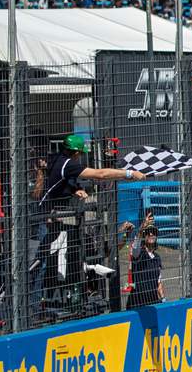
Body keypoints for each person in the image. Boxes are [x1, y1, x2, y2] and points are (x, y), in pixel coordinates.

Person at [35, 134, 145, 315]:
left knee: (42, 265)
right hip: (41, 219)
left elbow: (57, 180)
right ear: (76, 153)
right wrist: (129, 174)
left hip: (44, 216)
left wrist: (73, 189)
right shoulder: (67, 163)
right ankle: (31, 312)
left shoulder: (57, 160)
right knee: (38, 267)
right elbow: (99, 174)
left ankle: (36, 308)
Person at [121, 214, 164, 308]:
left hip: (153, 302)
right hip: (138, 302)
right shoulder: (138, 253)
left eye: (153, 232)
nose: (151, 234)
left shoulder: (157, 258)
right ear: (144, 236)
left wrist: (164, 299)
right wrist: (141, 229)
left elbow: (159, 282)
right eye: (148, 232)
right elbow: (136, 245)